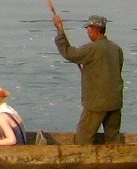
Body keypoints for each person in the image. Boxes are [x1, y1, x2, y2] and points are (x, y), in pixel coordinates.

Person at [53, 12, 125, 145]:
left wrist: (60, 31)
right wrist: (88, 72)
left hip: (97, 103)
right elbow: (113, 71)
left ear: (93, 30)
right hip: (115, 101)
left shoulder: (92, 48)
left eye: (88, 30)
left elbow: (69, 53)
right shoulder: (117, 49)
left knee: (84, 135)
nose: (88, 33)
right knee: (113, 137)